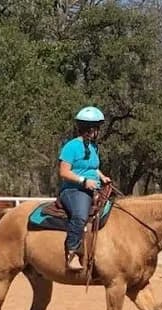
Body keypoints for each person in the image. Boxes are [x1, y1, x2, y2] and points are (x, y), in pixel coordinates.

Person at [58, 106, 112, 270]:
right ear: (89, 129)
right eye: (97, 128)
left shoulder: (93, 147)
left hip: (93, 189)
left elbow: (93, 167)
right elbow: (64, 172)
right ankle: (72, 252)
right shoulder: (71, 147)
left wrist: (102, 177)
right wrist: (83, 181)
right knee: (80, 215)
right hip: (74, 190)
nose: (98, 131)